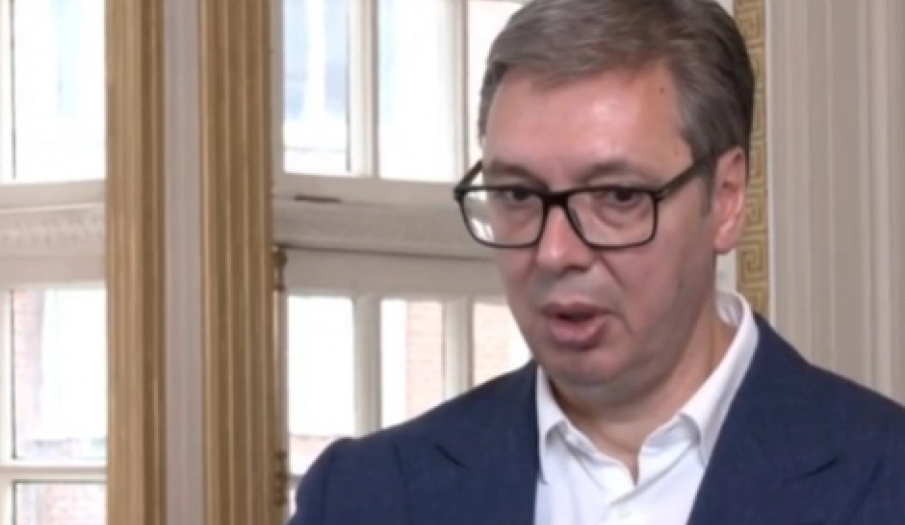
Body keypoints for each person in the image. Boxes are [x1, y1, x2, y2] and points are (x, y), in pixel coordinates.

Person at [289, 0, 905, 523]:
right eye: (518, 196)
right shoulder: (364, 497)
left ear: (725, 200)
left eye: (617, 197)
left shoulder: (886, 480)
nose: (555, 252)